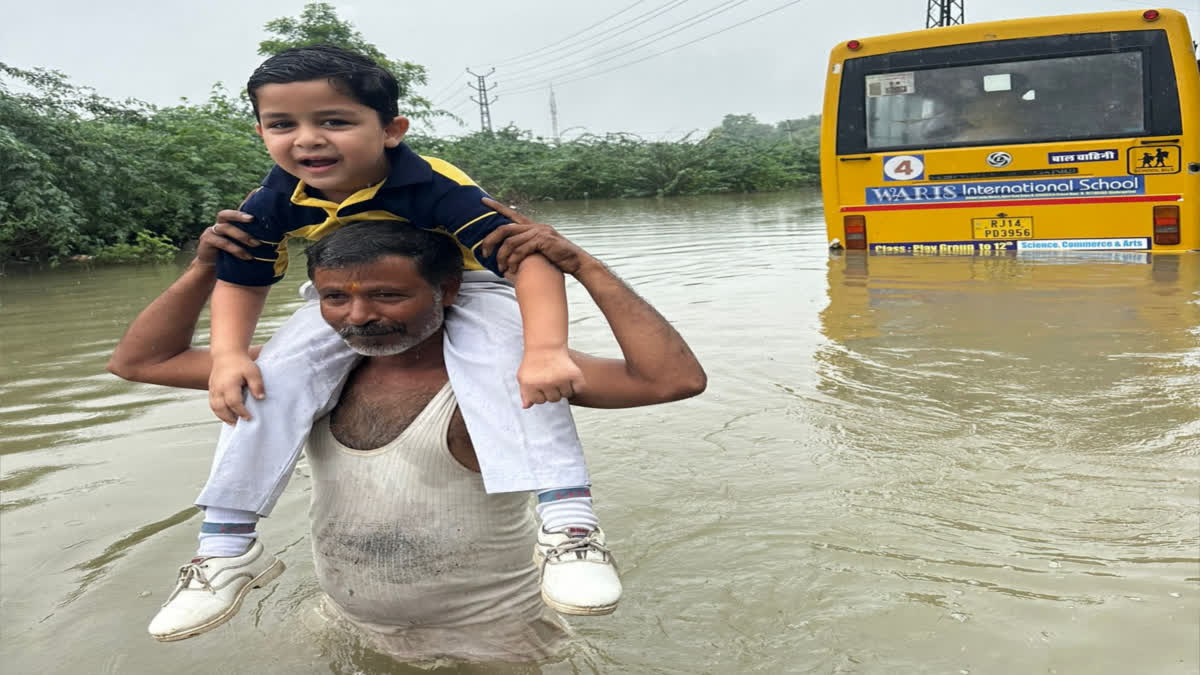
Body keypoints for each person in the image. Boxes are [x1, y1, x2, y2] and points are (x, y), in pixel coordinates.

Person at [159, 44, 618, 639]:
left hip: (471, 287)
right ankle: (225, 544)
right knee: (267, 374)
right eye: (283, 125)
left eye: (334, 121)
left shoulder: (433, 184)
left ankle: (569, 525)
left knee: (508, 369)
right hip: (354, 290)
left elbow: (527, 259)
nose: (308, 140)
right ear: (261, 132)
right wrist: (225, 356)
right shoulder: (274, 198)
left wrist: (547, 349)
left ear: (392, 130)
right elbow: (241, 277)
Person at [107, 214, 706, 662]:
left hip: (495, 636)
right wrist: (209, 265)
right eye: (336, 297)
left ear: (447, 290)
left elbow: (673, 379)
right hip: (351, 621)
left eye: (388, 295)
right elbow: (140, 362)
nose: (358, 315)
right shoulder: (294, 376)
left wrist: (585, 267)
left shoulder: (510, 381)